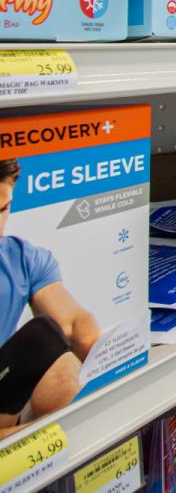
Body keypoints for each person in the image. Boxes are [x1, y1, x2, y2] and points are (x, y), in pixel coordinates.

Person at [0, 158, 100, 435]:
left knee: (43, 335)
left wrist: (106, 361)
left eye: (3, 208)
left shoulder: (21, 257)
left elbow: (73, 322)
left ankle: (51, 430)